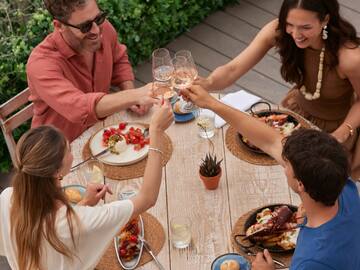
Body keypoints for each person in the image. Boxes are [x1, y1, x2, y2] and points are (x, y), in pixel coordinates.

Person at [182, 85, 360, 270]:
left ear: (300, 184)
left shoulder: (311, 261)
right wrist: (211, 103)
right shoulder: (344, 187)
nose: (283, 166)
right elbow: (271, 141)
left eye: (286, 165)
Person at [195, 0, 360, 179]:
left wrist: (341, 134)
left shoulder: (350, 57)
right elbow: (233, 69)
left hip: (339, 127)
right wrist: (207, 83)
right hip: (295, 116)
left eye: (305, 27)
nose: (296, 34)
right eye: (290, 24)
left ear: (325, 20)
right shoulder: (279, 31)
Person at [0, 102, 173, 270]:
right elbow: (147, 198)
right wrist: (156, 132)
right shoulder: (79, 222)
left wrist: (84, 204)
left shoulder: (7, 198)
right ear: (56, 172)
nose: (71, 153)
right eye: (68, 150)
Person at [26, 0, 157, 142]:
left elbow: (118, 59)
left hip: (100, 133)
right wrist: (134, 95)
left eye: (98, 18)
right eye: (85, 26)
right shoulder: (41, 63)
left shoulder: (103, 28)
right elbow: (79, 108)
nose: (96, 30)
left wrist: (130, 94)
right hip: (59, 152)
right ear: (59, 26)